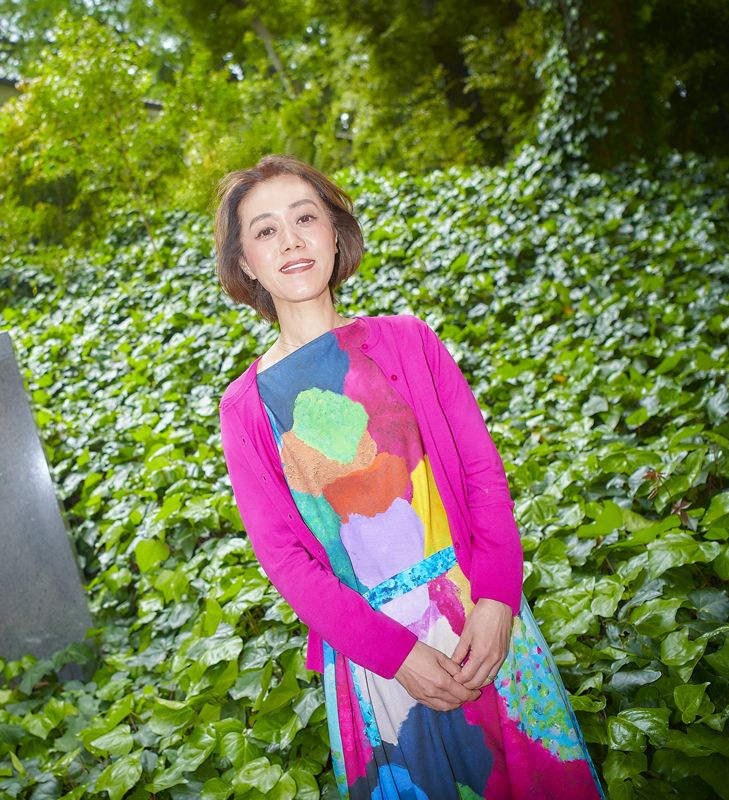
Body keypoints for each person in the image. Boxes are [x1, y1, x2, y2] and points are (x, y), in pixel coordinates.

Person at [216, 155, 603, 799]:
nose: (290, 241)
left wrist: (498, 600)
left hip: (480, 624)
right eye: (265, 230)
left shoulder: (409, 341)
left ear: (334, 233)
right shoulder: (245, 409)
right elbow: (285, 562)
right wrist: (395, 655)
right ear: (246, 264)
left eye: (305, 218)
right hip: (379, 664)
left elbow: (481, 473)